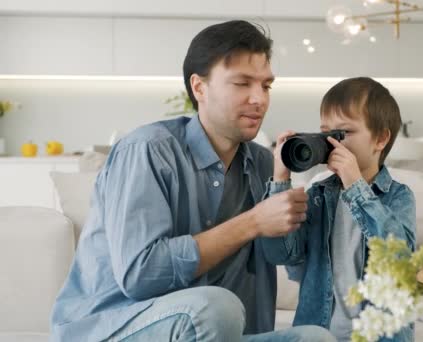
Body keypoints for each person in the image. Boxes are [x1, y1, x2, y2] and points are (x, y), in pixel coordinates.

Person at [50, 20, 336, 342]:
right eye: (242, 83)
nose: (259, 99)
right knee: (215, 307)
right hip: (117, 328)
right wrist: (254, 221)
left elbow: (285, 259)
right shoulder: (148, 151)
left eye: (266, 86)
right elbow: (141, 275)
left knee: (314, 339)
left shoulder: (262, 163)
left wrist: (289, 188)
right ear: (199, 87)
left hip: (215, 331)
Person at [262, 77, 416, 342]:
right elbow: (281, 254)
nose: (332, 143)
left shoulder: (399, 197)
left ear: (380, 139)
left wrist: (356, 185)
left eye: (343, 134)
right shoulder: (319, 196)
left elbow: (398, 255)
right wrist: (280, 179)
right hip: (319, 333)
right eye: (325, 133)